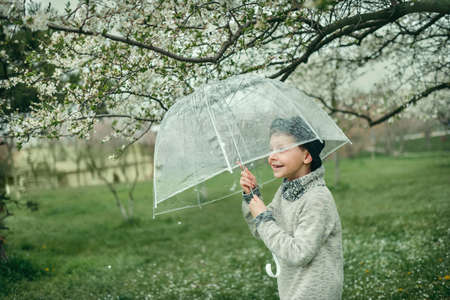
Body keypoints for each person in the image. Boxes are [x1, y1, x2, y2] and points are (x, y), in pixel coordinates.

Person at [240, 116, 343, 300]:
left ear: (306, 155)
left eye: (282, 149)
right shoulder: (285, 192)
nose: (272, 156)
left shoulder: (316, 198)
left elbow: (299, 253)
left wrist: (264, 217)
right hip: (292, 292)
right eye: (271, 150)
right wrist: (251, 195)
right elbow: (261, 230)